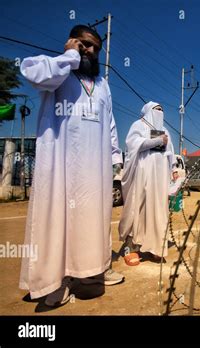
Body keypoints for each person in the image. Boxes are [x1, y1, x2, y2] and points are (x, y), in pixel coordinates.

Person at [19, 25, 124, 308]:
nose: (91, 51)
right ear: (73, 43)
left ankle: (95, 269)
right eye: (85, 44)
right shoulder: (58, 70)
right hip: (63, 163)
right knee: (60, 219)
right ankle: (57, 280)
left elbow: (110, 122)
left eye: (95, 48)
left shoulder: (102, 85)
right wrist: (69, 56)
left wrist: (116, 158)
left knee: (95, 220)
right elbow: (32, 73)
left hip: (97, 166)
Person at [119, 102, 176, 263]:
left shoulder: (165, 130)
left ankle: (155, 247)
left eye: (162, 110)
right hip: (141, 175)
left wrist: (174, 169)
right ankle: (131, 247)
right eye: (156, 110)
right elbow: (133, 145)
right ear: (147, 112)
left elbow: (170, 152)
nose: (160, 112)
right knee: (138, 208)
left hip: (159, 178)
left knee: (157, 210)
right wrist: (157, 141)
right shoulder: (138, 125)